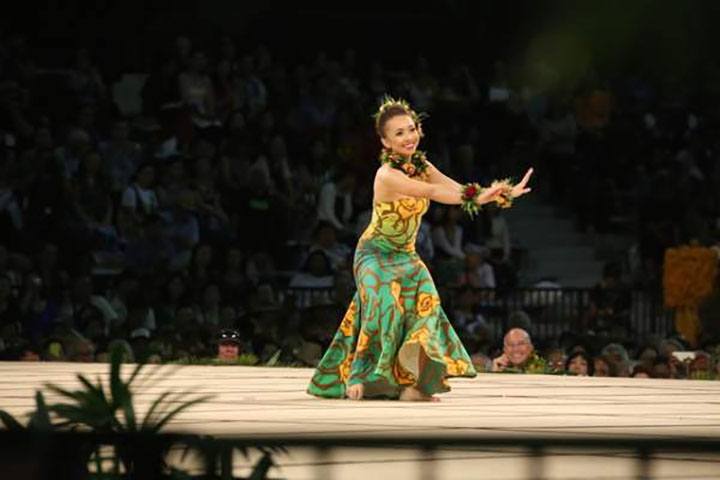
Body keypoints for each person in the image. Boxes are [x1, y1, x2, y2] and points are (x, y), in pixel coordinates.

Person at [307, 96, 533, 401]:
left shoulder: (422, 165)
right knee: (384, 306)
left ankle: (415, 386)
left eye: (411, 129)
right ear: (385, 141)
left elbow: (453, 187)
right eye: (398, 133)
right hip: (374, 254)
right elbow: (431, 192)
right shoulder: (387, 175)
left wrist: (499, 193)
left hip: (406, 255)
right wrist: (479, 196)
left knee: (427, 305)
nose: (408, 137)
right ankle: (363, 377)